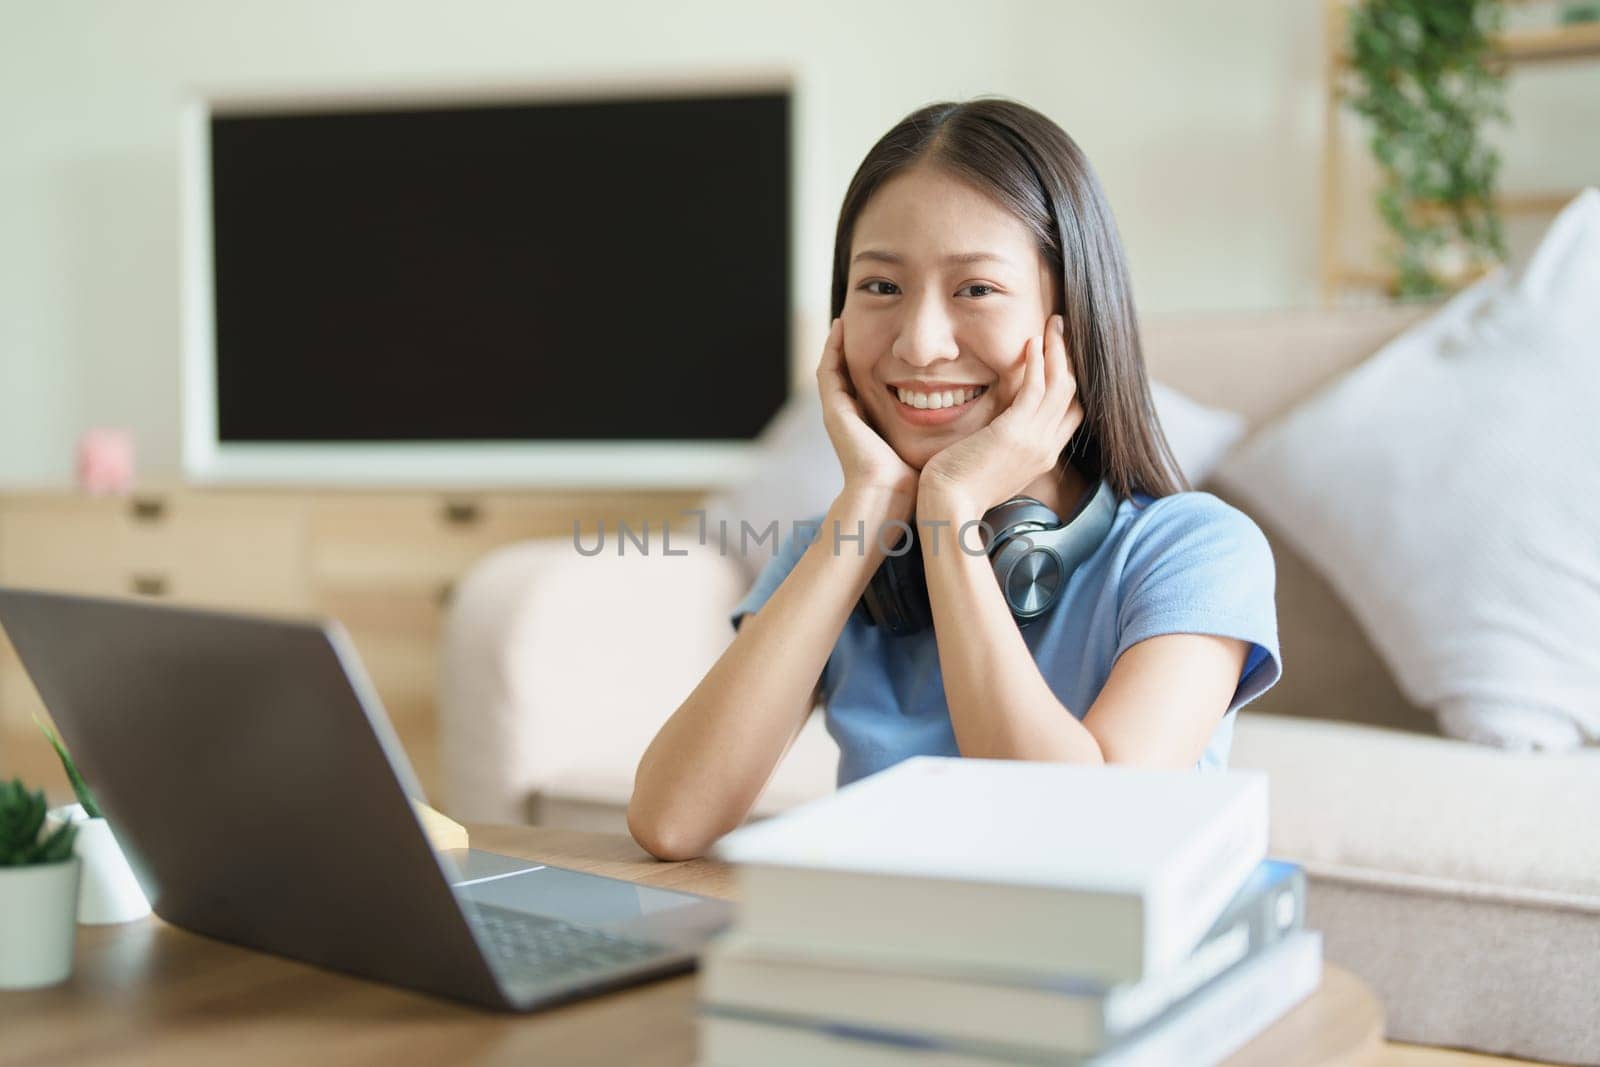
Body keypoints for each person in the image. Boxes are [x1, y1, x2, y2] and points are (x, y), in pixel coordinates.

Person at [628, 98, 1281, 862]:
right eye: (880, 287)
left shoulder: (1197, 550)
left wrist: (952, 511)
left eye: (975, 289)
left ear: (1073, 319)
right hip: (892, 965)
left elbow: (1085, 837)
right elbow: (671, 819)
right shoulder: (838, 549)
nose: (919, 342)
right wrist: (872, 504)